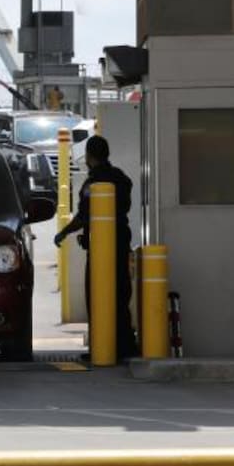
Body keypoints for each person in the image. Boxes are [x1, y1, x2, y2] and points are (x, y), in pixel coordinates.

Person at [53, 135, 137, 362]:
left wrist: (64, 232)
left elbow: (84, 215)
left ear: (89, 157)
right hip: (120, 243)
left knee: (97, 295)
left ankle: (101, 346)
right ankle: (125, 345)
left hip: (100, 249)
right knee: (121, 294)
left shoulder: (93, 184)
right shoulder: (121, 178)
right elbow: (124, 207)